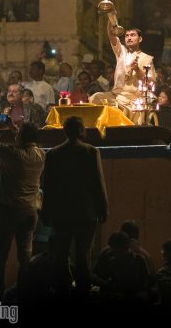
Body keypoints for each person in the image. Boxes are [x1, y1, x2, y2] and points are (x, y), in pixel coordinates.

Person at [41, 116, 109, 297]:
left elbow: (47, 186)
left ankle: (63, 289)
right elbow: (98, 183)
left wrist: (46, 210)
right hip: (85, 211)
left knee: (62, 253)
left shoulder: (53, 153)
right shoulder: (90, 151)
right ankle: (83, 289)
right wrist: (103, 207)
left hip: (61, 212)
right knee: (83, 252)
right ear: (81, 130)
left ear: (64, 131)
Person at [0, 120, 44, 300]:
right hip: (30, 210)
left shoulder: (12, 154)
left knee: (0, 255)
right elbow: (27, 142)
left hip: (9, 209)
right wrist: (16, 130)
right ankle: (24, 293)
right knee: (25, 256)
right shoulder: (40, 155)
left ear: (21, 137)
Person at [90, 21, 156, 125]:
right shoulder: (122, 52)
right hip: (117, 95)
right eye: (126, 36)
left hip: (135, 98)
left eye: (133, 35)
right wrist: (111, 16)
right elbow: (111, 35)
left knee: (120, 109)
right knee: (95, 97)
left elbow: (151, 82)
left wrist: (138, 70)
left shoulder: (147, 58)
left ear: (140, 39)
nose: (129, 38)